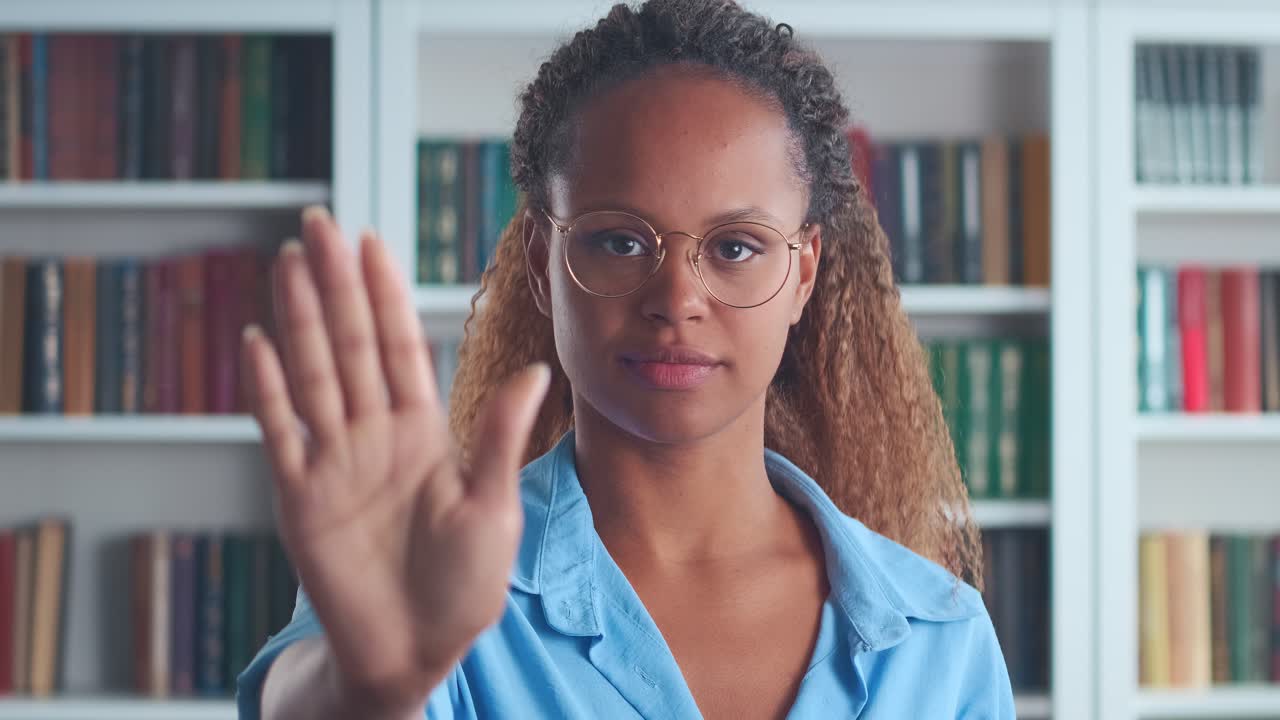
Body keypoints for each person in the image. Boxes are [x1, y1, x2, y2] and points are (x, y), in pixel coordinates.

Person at [235, 1, 1016, 717]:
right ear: (543, 261)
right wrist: (365, 687)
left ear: (802, 274)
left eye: (736, 246)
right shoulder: (434, 579)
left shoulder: (939, 639)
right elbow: (303, 697)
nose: (676, 298)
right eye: (619, 240)